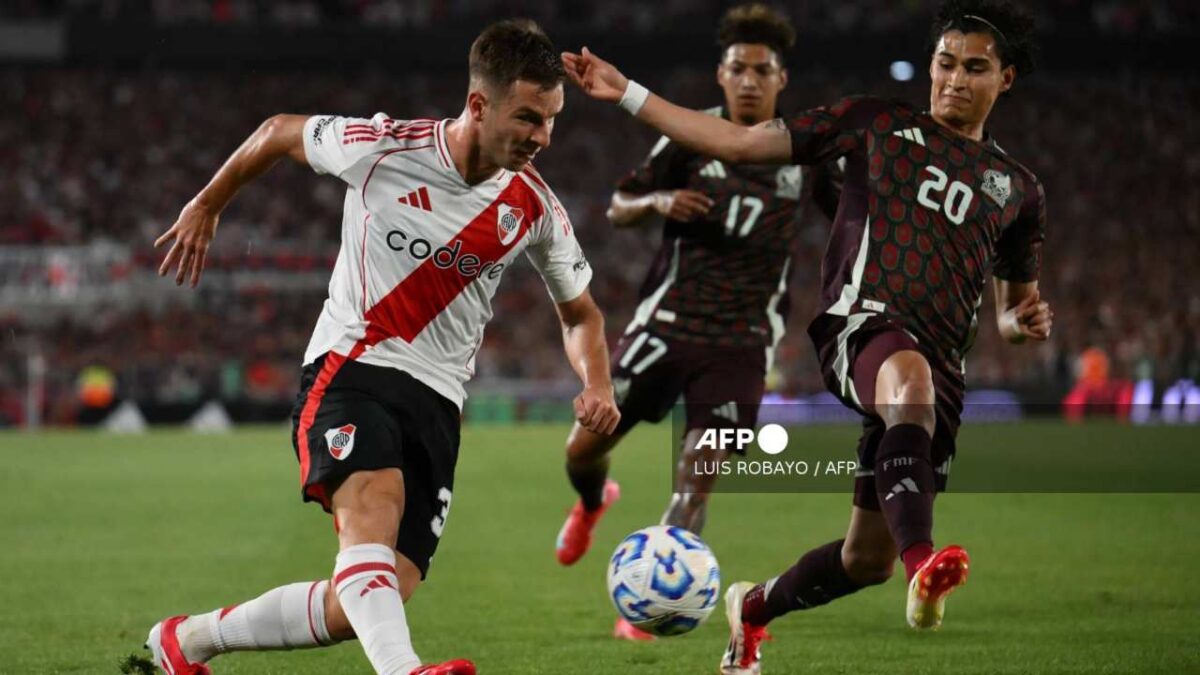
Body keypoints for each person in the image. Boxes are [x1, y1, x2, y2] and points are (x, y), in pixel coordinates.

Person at [562, 0, 1052, 671]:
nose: (954, 79)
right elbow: (736, 142)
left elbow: (1010, 312)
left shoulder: (1019, 190)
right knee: (908, 389)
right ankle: (927, 561)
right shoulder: (873, 123)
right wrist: (627, 93)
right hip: (861, 326)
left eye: (975, 68)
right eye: (944, 63)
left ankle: (753, 610)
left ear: (1007, 79)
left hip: (927, 370)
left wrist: (1020, 322)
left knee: (863, 560)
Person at [145, 19, 619, 675]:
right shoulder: (383, 147)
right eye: (529, 118)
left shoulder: (535, 208)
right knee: (373, 502)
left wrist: (597, 382)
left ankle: (188, 640)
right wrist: (208, 202)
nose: (542, 137)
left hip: (439, 404)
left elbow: (581, 315)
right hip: (352, 370)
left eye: (551, 121)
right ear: (478, 105)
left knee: (370, 596)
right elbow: (281, 130)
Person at [551, 3, 839, 642]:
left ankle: (654, 609)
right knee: (582, 447)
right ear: (720, 73)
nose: (748, 81)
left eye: (762, 71)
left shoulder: (805, 154)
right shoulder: (688, 136)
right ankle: (594, 501)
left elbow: (851, 218)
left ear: (781, 80)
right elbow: (618, 205)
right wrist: (657, 200)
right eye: (738, 68)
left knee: (697, 478)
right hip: (667, 327)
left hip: (741, 345)